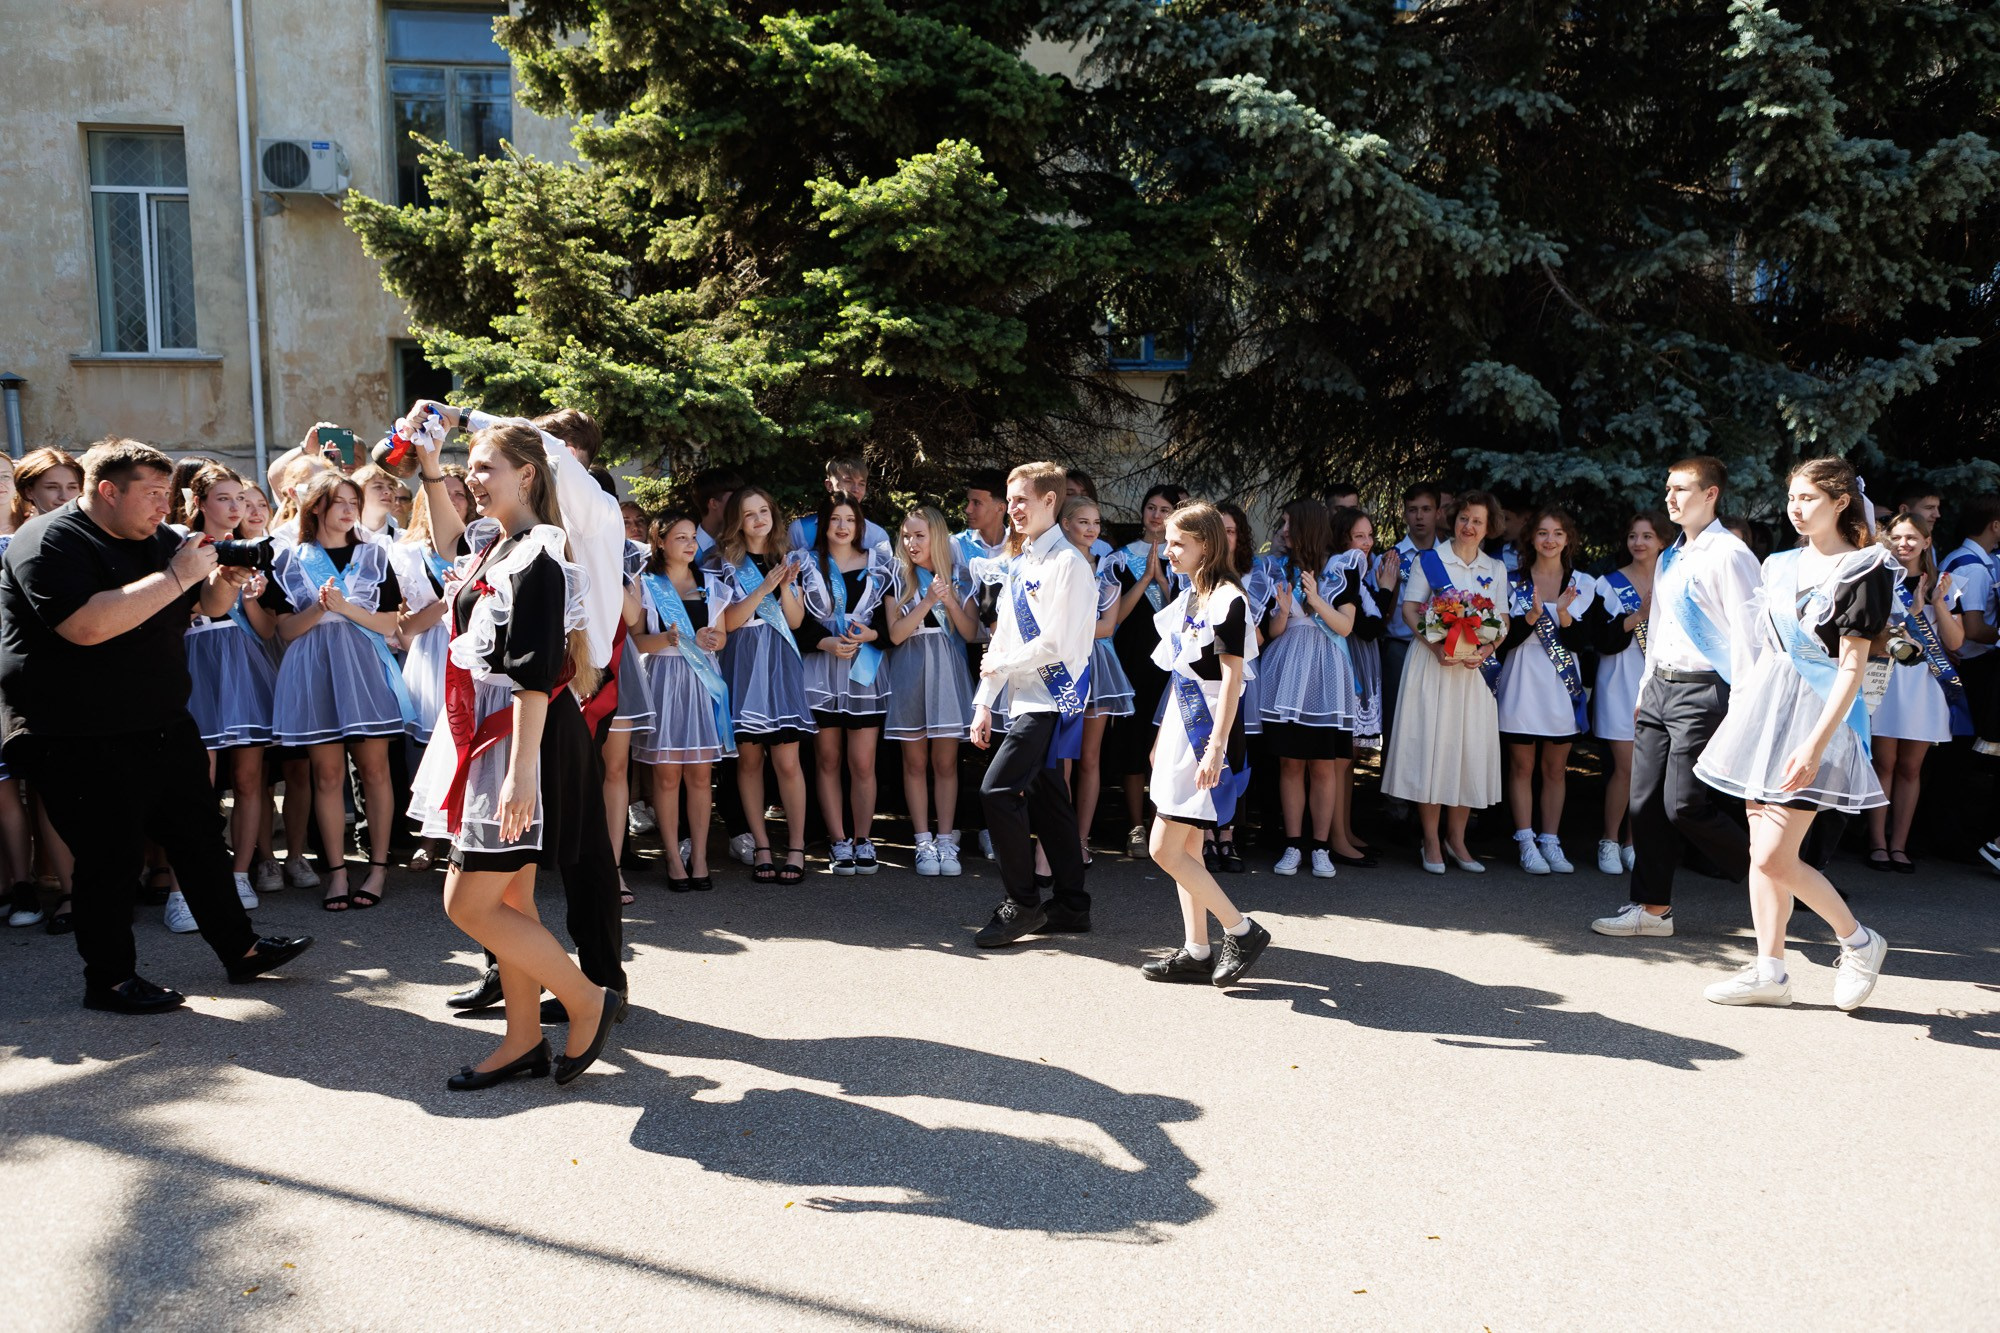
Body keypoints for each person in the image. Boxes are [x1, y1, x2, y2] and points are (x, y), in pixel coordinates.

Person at [0, 439, 313, 1013]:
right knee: (109, 858)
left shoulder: (162, 539)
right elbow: (85, 627)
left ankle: (241, 951)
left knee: (197, 839)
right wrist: (175, 577)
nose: (160, 506)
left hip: (160, 720)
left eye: (166, 494)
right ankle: (110, 980)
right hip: (75, 731)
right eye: (149, 494)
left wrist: (226, 575)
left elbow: (212, 606)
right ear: (107, 491)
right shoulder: (47, 540)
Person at [406, 421, 621, 1087]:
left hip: (519, 738)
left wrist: (521, 771)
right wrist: (429, 463)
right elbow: (447, 544)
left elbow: (535, 669)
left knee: (466, 902)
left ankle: (588, 999)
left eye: (485, 466)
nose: (474, 477)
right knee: (514, 900)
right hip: (494, 732)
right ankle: (524, 1037)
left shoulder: (540, 551)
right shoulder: (496, 544)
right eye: (470, 467)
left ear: (527, 473)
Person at [1691, 457, 1894, 1009]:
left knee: (1775, 855)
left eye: (1809, 498)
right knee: (1762, 850)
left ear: (1840, 502)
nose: (1797, 509)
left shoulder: (1865, 569)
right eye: (1793, 499)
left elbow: (1851, 667)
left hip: (1819, 718)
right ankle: (1770, 971)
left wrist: (1815, 742)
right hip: (1768, 708)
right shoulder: (1777, 564)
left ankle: (1858, 941)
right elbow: (1763, 647)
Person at [1590, 458, 1759, 939]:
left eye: (1681, 489)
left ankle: (1774, 874)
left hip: (1704, 689)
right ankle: (1652, 908)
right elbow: (1658, 628)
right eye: (1668, 488)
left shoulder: (1730, 554)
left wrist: (1745, 704)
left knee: (1684, 805)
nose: (1671, 497)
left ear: (1711, 495)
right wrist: (1646, 689)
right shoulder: (1670, 557)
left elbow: (1750, 637)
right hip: (1660, 689)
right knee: (1643, 804)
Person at [262, 472, 412, 911]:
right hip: (312, 667)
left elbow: (390, 624)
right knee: (326, 776)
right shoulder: (290, 559)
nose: (348, 509)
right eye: (338, 502)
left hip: (364, 665)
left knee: (376, 771)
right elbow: (284, 630)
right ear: (315, 508)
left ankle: (379, 867)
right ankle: (337, 872)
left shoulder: (375, 554)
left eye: (353, 501)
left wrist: (345, 609)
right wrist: (318, 609)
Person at [1138, 502, 1272, 987]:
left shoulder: (1227, 599)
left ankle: (1241, 928)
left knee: (1163, 849)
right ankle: (1197, 949)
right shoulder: (1191, 595)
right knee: (1187, 844)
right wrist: (1161, 735)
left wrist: (1215, 747)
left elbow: (1233, 677)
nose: (1168, 550)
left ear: (1206, 546)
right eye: (1169, 541)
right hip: (1181, 722)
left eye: (1179, 543)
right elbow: (1180, 673)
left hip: (1208, 728)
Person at [970, 462, 1097, 947]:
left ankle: (1022, 903)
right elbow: (1002, 635)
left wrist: (998, 669)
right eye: (1010, 499)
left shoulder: (1070, 565)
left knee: (997, 792)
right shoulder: (1021, 561)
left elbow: (1058, 644)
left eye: (1022, 499)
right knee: (1050, 801)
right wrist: (985, 703)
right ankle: (1070, 905)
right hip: (1023, 698)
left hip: (1052, 697)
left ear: (1051, 501)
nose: (1014, 509)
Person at [1381, 491, 1509, 873]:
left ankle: (1458, 840)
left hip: (1472, 673)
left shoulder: (1495, 568)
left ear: (1489, 528)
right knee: (1433, 749)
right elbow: (1409, 608)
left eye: (1477, 521)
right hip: (1434, 665)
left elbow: (1503, 618)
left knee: (1466, 751)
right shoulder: (1431, 561)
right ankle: (1431, 841)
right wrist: (1435, 646)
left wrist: (1487, 652)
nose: (1468, 527)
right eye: (1464, 518)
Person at [175, 464, 278, 929]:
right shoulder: (183, 546)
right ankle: (183, 888)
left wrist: (253, 596)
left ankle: (239, 874)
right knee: (196, 782)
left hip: (243, 663)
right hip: (198, 659)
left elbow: (266, 630)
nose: (236, 507)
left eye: (240, 498)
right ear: (199, 502)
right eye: (223, 498)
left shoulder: (257, 550)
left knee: (250, 777)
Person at [708, 485, 815, 883]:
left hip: (780, 661)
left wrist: (785, 584)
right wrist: (764, 587)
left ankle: (798, 847)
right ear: (738, 520)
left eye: (764, 511)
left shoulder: (786, 558)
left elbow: (796, 621)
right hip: (743, 659)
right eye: (750, 513)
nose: (759, 519)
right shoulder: (721, 563)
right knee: (749, 761)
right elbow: (728, 623)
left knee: (787, 761)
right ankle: (762, 846)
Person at [1258, 499, 1366, 877]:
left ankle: (1320, 847)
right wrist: (1284, 610)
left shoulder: (1342, 567)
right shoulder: (1276, 568)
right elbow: (1273, 632)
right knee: (1290, 763)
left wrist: (1316, 598)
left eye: (1289, 524)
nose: (1284, 531)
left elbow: (1346, 627)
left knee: (1323, 765)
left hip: (1325, 671)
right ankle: (1293, 845)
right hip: (1288, 671)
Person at [633, 511, 733, 891]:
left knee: (701, 774)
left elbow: (721, 636)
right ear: (660, 542)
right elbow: (637, 640)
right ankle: (673, 857)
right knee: (668, 773)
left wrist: (712, 639)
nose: (691, 544)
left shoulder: (711, 583)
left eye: (693, 537)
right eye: (680, 537)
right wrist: (666, 640)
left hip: (701, 681)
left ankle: (701, 856)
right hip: (663, 679)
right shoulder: (647, 585)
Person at [1494, 507, 1595, 875]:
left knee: (1555, 768)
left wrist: (1564, 616)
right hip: (1522, 677)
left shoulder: (1583, 582)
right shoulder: (1511, 580)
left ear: (1568, 539)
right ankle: (1525, 840)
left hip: (1560, 681)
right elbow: (1504, 640)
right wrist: (1532, 618)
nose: (1549, 540)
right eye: (1542, 533)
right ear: (1531, 538)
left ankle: (1550, 840)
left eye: (1557, 533)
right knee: (1522, 765)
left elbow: (1583, 641)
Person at [1865, 512, 1965, 872]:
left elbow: (1956, 641)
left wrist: (1937, 602)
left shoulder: (1945, 583)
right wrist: (1912, 611)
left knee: (1911, 767)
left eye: (1912, 538)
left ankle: (1899, 845)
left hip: (1926, 683)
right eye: (1898, 537)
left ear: (1927, 542)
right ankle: (1876, 842)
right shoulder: (1878, 578)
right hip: (1887, 680)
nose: (1904, 544)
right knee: (1884, 763)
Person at [886, 504, 983, 876]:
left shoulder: (961, 576)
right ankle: (922, 840)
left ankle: (946, 840)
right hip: (910, 668)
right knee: (914, 762)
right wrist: (926, 601)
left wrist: (947, 600)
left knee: (945, 763)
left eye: (919, 535)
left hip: (947, 668)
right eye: (906, 535)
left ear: (937, 537)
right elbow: (895, 634)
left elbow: (971, 632)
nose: (911, 542)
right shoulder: (896, 577)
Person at [799, 492, 889, 875]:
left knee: (863, 761)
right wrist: (825, 641)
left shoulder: (880, 563)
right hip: (822, 668)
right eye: (835, 518)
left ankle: (864, 839)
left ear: (860, 525)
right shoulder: (804, 563)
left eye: (849, 520)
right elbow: (796, 621)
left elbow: (891, 621)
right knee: (828, 759)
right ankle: (838, 840)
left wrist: (871, 635)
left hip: (863, 670)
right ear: (823, 523)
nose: (842, 526)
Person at [389, 466, 472, 873]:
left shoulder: (480, 545)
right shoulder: (404, 553)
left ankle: (465, 832)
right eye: (447, 493)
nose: (454, 501)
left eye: (461, 494)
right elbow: (403, 626)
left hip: (473, 653)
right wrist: (447, 600)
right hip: (431, 654)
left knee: (471, 745)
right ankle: (429, 835)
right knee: (429, 750)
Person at [1107, 484, 1188, 858]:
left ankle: (1163, 825)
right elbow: (1114, 619)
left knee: (1165, 744)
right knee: (1132, 743)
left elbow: (1188, 619)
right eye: (1151, 508)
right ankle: (1135, 827)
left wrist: (1162, 583)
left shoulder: (1185, 561)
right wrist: (1143, 581)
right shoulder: (1120, 559)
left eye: (1164, 509)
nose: (1156, 515)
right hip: (1132, 659)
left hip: (1170, 664)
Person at [1585, 511, 1666, 874]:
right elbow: (1600, 640)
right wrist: (1638, 616)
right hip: (1618, 682)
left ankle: (1635, 842)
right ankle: (1609, 840)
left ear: (1662, 541)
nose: (1638, 543)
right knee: (1626, 766)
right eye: (1633, 536)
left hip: (1659, 683)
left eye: (1647, 536)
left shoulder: (1674, 581)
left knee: (1648, 769)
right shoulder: (1608, 584)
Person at [1065, 496, 1132, 864]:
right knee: (1063, 758)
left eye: (1095, 522)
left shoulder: (1108, 569)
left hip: (1098, 666)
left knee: (1089, 757)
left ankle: (1081, 838)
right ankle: (1056, 838)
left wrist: (1068, 629)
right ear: (1064, 525)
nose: (1091, 529)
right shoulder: (1054, 564)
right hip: (1061, 666)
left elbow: (1108, 626)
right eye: (1082, 522)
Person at [1209, 502, 1264, 872]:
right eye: (1220, 530)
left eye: (1232, 530)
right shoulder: (1196, 575)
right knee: (1201, 746)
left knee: (1235, 750)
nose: (1226, 537)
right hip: (1200, 676)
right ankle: (1204, 834)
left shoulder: (1253, 575)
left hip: (1238, 672)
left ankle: (1227, 833)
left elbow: (1259, 635)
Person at [1374, 482, 1441, 743]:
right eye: (1413, 510)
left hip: (1438, 651)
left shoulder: (1449, 556)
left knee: (1435, 727)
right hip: (1399, 649)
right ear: (1404, 514)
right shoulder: (1390, 558)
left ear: (1438, 512)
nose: (1420, 516)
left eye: (1426, 509)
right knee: (1396, 726)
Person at [1939, 496, 2000, 748]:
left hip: (1963, 663)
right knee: (1961, 745)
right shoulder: (1973, 567)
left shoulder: (1960, 556)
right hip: (1972, 666)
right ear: (1995, 526)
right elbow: (1974, 629)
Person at [788, 456, 890, 552]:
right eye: (848, 481)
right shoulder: (800, 530)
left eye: (861, 484)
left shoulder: (877, 536)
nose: (856, 489)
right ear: (829, 485)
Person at [12, 448, 85, 526]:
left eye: (72, 487)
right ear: (29, 491)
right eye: (52, 487)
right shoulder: (22, 535)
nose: (64, 496)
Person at [690, 467, 742, 558]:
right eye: (735, 498)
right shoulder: (688, 551)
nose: (741, 503)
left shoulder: (743, 544)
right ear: (713, 503)